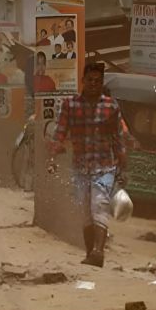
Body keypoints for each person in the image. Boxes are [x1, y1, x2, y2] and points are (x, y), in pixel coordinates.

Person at [51, 63, 126, 268]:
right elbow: (60, 130)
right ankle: (89, 253)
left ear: (102, 83)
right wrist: (56, 147)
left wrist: (123, 165)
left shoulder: (111, 107)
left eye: (98, 81)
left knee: (99, 206)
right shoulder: (71, 105)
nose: (94, 84)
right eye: (90, 80)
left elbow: (118, 138)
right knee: (84, 211)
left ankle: (98, 252)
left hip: (105, 166)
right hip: (80, 167)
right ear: (83, 81)